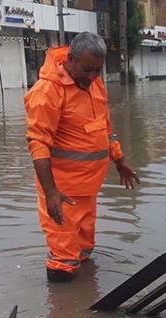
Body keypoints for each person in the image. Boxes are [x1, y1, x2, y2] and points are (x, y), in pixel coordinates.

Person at [24, 32, 140, 283]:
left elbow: (104, 128)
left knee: (85, 250)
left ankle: (85, 303)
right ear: (70, 59)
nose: (92, 76)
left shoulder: (94, 83)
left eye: (97, 70)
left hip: (88, 189)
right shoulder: (48, 91)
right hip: (62, 193)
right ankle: (61, 313)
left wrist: (119, 160)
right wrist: (50, 191)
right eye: (87, 69)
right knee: (63, 261)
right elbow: (38, 143)